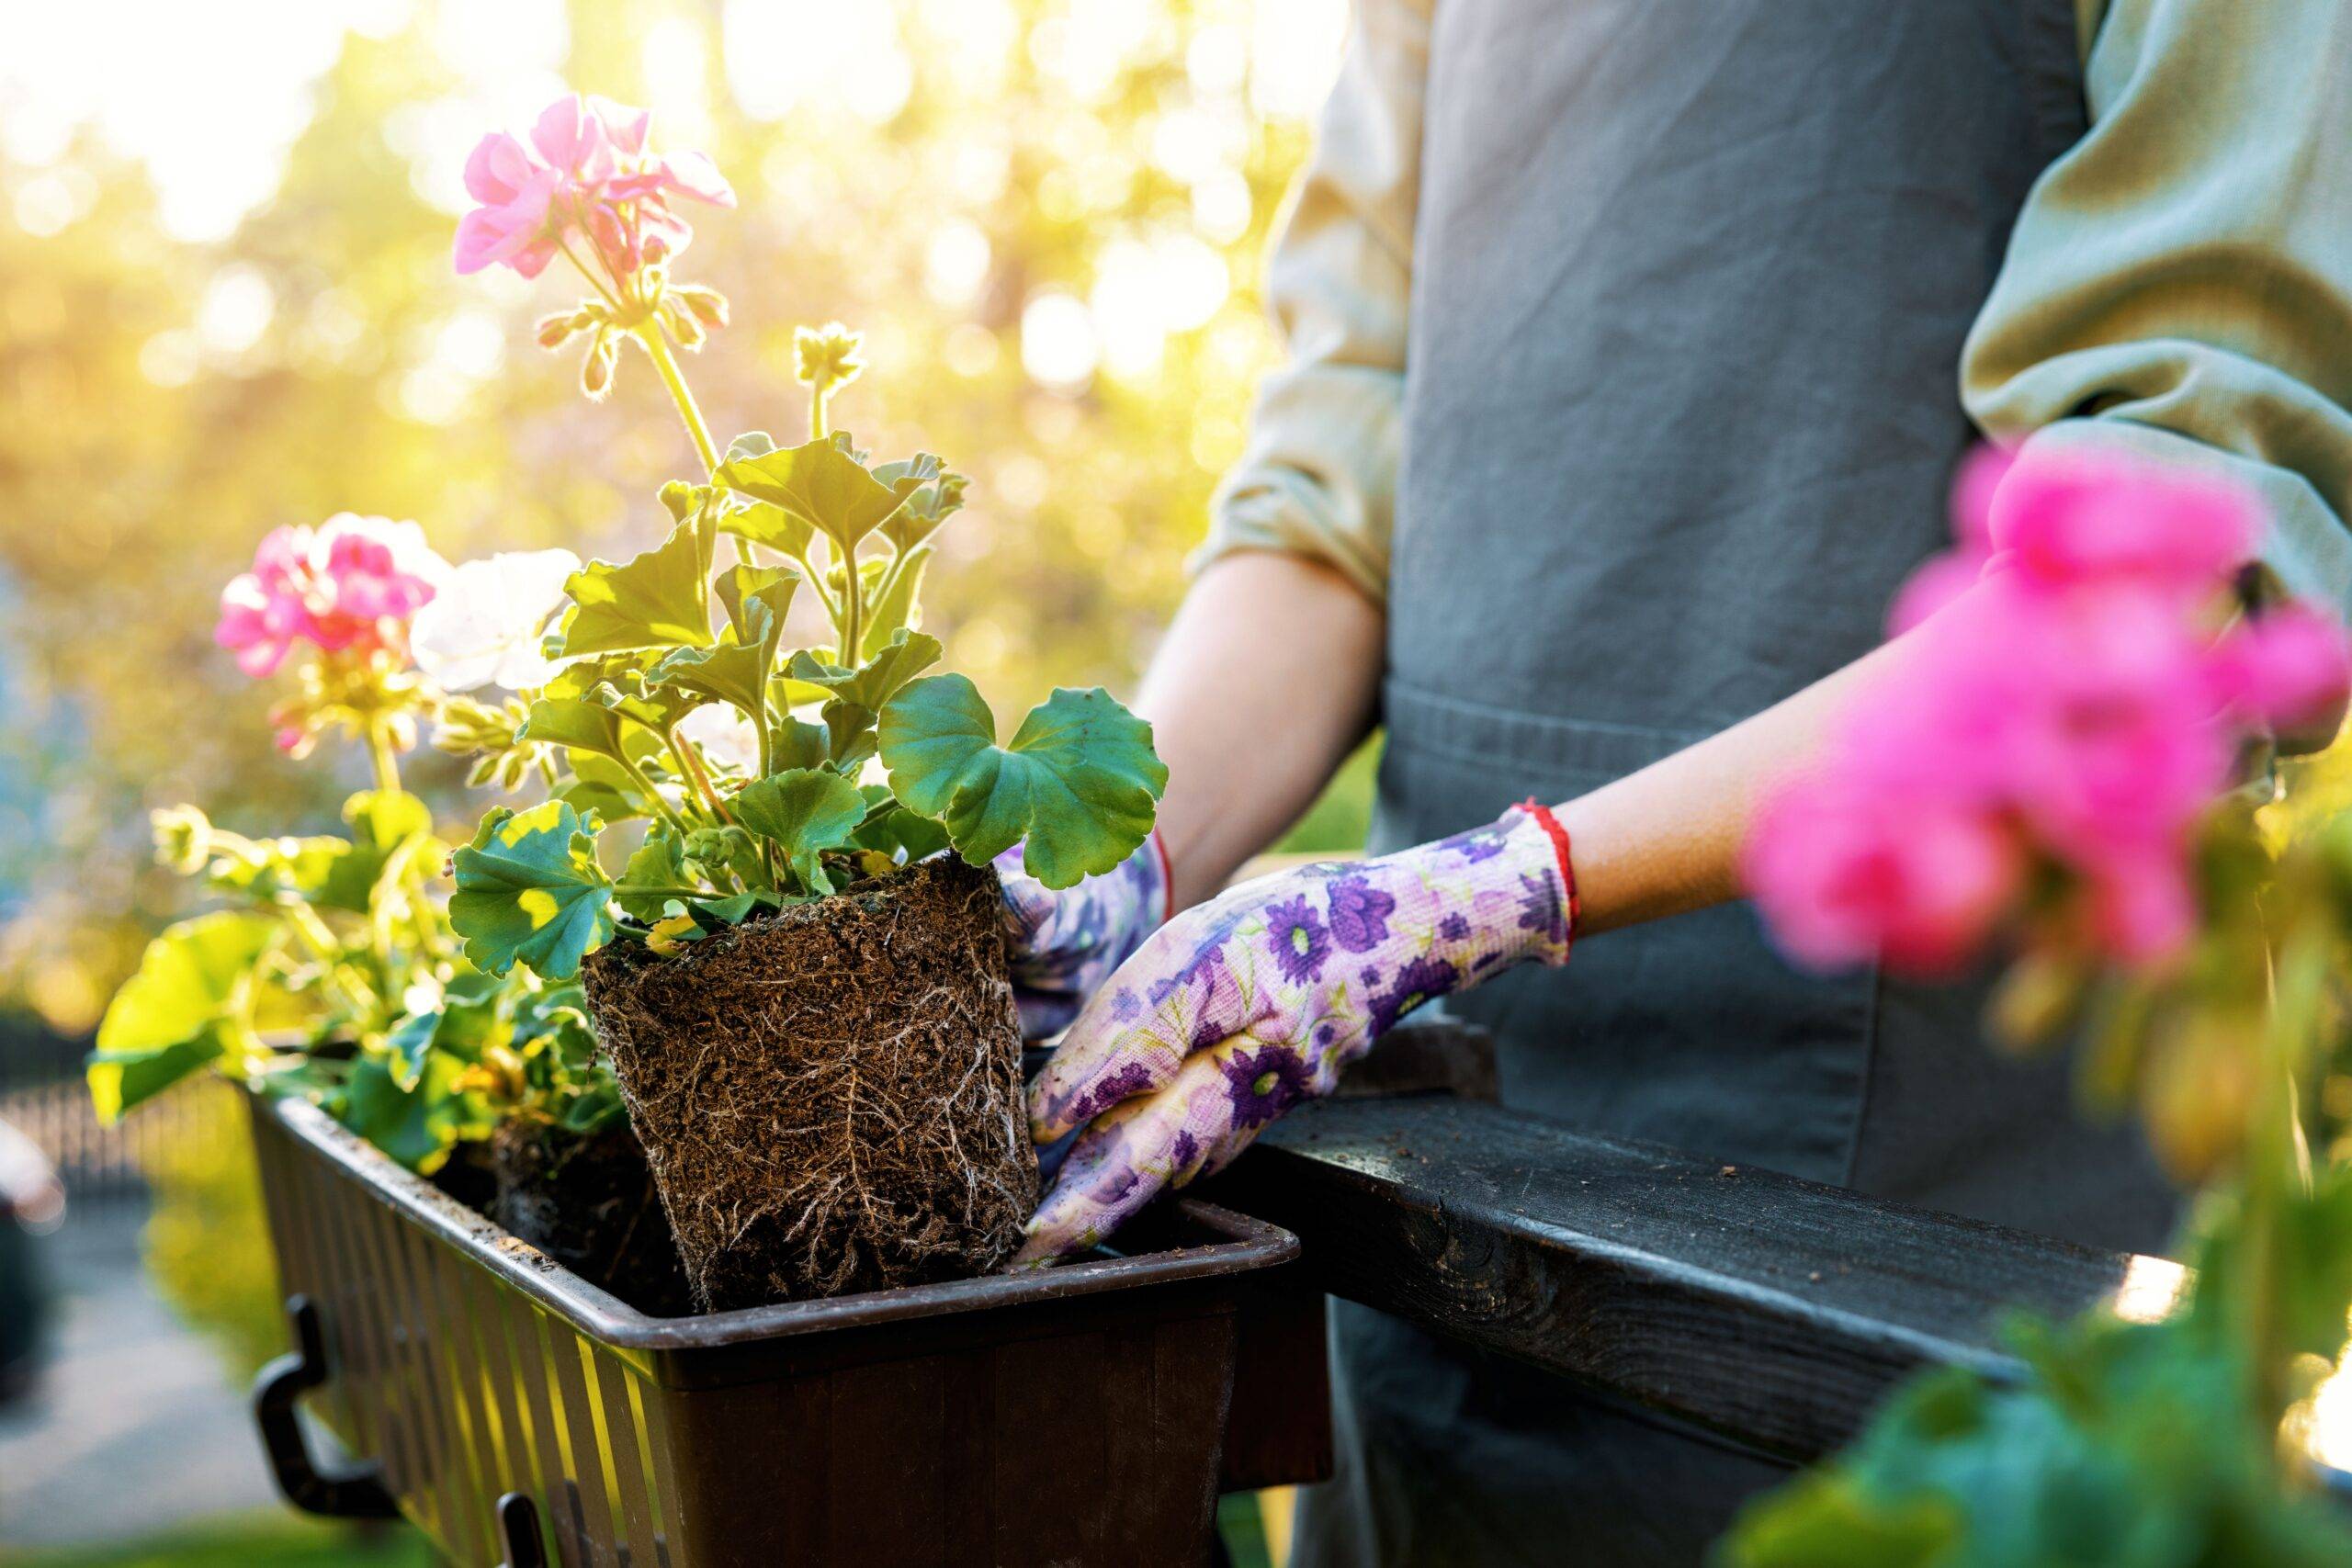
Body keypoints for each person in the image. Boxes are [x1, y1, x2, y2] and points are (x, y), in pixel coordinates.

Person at [997, 1, 2352, 1562]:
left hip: (1925, 1232)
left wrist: (1500, 889)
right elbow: (1331, 490)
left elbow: (2163, 573)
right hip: (1432, 1182)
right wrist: (1131, 855)